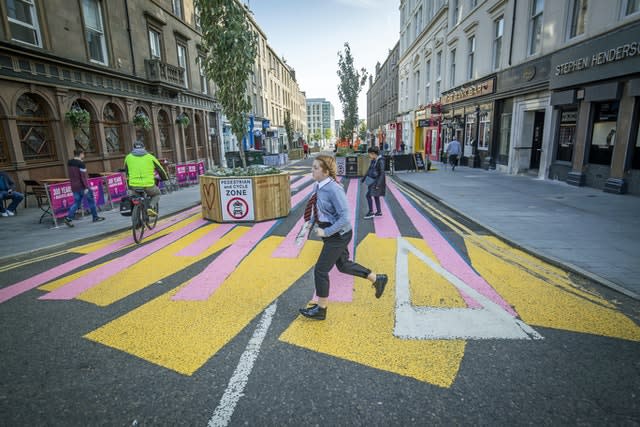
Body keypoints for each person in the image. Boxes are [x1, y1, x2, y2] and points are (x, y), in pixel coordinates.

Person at [298, 155, 388, 320]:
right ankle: (377, 278)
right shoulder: (318, 186)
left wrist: (326, 232)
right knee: (343, 265)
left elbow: (345, 217)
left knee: (320, 270)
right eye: (313, 167)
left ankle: (321, 308)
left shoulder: (333, 189)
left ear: (325, 171)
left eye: (316, 167)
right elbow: (318, 208)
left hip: (337, 235)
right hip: (331, 233)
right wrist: (310, 224)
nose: (312, 170)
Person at [123, 141, 168, 217]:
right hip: (148, 185)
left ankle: (137, 222)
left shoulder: (128, 157)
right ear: (144, 148)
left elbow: (126, 171)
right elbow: (160, 169)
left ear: (133, 148)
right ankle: (151, 206)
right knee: (157, 193)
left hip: (134, 185)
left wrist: (128, 184)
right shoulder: (150, 157)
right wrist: (165, 178)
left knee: (135, 199)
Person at [63, 149, 105, 227]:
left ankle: (68, 218)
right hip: (82, 186)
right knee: (91, 201)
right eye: (83, 154)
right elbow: (83, 177)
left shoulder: (69, 162)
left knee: (76, 203)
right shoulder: (81, 163)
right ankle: (95, 217)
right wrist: (86, 187)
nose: (84, 155)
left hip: (74, 185)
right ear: (81, 154)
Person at [361, 146, 386, 219]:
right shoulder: (374, 160)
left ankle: (371, 212)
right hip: (372, 180)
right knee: (376, 196)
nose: (369, 156)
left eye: (369, 154)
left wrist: (378, 184)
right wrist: (364, 178)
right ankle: (379, 212)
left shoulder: (381, 161)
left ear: (373, 153)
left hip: (376, 181)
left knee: (368, 195)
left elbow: (382, 173)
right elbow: (369, 169)